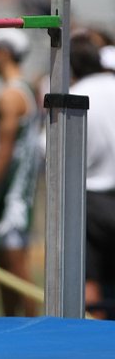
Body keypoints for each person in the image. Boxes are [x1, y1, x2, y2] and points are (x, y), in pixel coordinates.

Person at [0, 28, 42, 317]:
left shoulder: (10, 97)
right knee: (6, 268)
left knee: (15, 268)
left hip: (12, 196)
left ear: (3, 52)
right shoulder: (22, 90)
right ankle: (12, 330)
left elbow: (5, 152)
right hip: (16, 192)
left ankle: (37, 332)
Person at [68, 32, 115, 320]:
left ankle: (92, 342)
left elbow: (48, 149)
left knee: (89, 280)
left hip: (91, 199)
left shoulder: (76, 95)